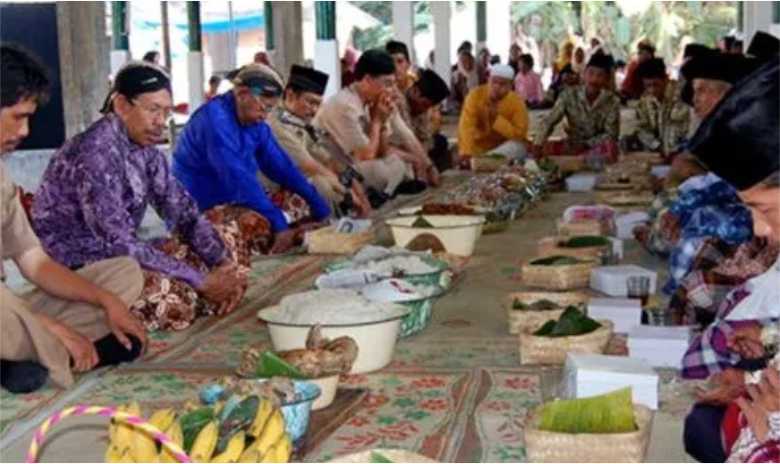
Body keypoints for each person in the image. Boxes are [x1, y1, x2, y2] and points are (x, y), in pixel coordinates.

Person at [32, 62, 248, 333]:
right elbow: (120, 244)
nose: (161, 122)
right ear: (122, 105)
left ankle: (218, 289)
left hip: (125, 257)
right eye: (153, 110)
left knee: (227, 237)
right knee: (173, 300)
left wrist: (223, 264)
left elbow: (183, 212)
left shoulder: (146, 151)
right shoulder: (95, 154)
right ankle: (203, 295)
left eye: (167, 112)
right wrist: (201, 281)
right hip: (84, 269)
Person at [0, 46, 149, 394]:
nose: (25, 131)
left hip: (9, 307)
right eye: (18, 116)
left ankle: (22, 358)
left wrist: (104, 300)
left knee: (124, 273)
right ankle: (69, 351)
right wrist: (54, 328)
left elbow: (34, 263)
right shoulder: (93, 149)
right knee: (9, 313)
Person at [173, 63, 331, 252]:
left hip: (234, 197)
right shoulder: (216, 121)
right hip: (199, 207)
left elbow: (282, 167)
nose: (265, 115)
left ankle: (283, 236)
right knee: (258, 223)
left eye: (270, 109)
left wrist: (319, 206)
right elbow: (238, 179)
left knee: (301, 198)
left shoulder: (254, 122)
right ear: (242, 93)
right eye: (264, 107)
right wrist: (280, 225)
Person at [315, 49, 434, 203]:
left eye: (393, 84)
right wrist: (377, 120)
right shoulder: (344, 105)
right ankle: (381, 194)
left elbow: (387, 148)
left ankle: (384, 193)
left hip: (361, 165)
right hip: (337, 169)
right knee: (381, 171)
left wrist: (425, 163)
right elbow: (365, 156)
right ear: (368, 80)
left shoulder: (374, 101)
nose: (391, 90)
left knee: (401, 163)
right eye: (387, 84)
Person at [267, 65, 371, 218]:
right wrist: (348, 194)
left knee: (349, 177)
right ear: (290, 95)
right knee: (321, 184)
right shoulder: (276, 124)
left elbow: (328, 160)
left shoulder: (297, 121)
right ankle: (331, 231)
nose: (315, 110)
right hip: (273, 192)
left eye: (318, 104)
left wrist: (356, 187)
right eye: (310, 102)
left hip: (296, 182)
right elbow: (309, 166)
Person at [532, 53, 620, 160]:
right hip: (572, 145)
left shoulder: (612, 101)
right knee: (547, 148)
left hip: (597, 148)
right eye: (591, 73)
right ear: (584, 74)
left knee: (611, 148)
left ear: (606, 79)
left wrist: (586, 145)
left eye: (600, 75)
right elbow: (549, 120)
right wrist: (538, 142)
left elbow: (611, 135)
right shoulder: (568, 95)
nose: (594, 79)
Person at [457, 64, 529, 162]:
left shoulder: (517, 102)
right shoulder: (474, 96)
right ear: (488, 80)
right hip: (477, 149)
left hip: (502, 149)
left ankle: (482, 162)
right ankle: (481, 161)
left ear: (511, 86)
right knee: (467, 151)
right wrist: (466, 152)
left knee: (519, 147)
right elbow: (466, 127)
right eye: (494, 82)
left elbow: (519, 134)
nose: (496, 87)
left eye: (502, 84)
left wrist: (497, 120)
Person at [622, 57, 689, 158]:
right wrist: (656, 146)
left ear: (666, 79)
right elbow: (642, 129)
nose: (652, 90)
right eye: (648, 86)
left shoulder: (683, 97)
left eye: (656, 85)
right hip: (658, 156)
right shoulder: (644, 101)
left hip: (682, 156)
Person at [396, 69, 452, 172]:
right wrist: (424, 161)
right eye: (424, 105)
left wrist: (423, 154)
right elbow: (406, 139)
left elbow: (425, 137)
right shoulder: (398, 102)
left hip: (415, 148)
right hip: (398, 148)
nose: (424, 110)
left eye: (428, 107)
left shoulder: (423, 109)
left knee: (440, 141)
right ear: (415, 91)